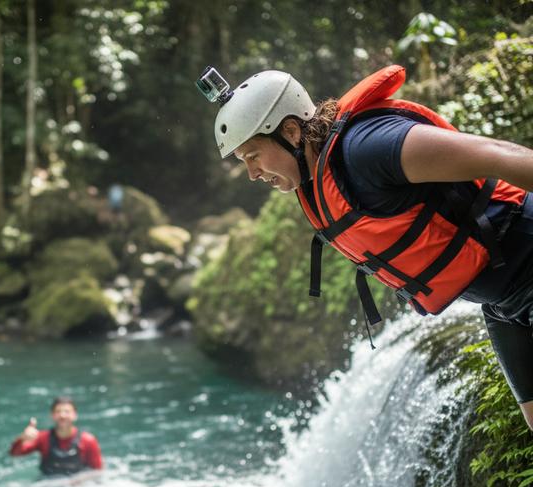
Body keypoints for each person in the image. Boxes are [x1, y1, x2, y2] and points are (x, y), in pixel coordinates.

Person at [196, 64, 533, 430]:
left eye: (252, 156)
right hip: (503, 305)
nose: (252, 173)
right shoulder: (318, 175)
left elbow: (498, 155)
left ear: (291, 132)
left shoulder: (370, 148)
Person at [9, 396, 103, 475]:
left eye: (67, 412)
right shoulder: (43, 438)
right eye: (58, 411)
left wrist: (76, 482)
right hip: (48, 485)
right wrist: (22, 438)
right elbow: (14, 454)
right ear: (52, 415)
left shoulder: (88, 441)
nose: (62, 415)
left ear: (75, 415)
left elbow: (97, 472)